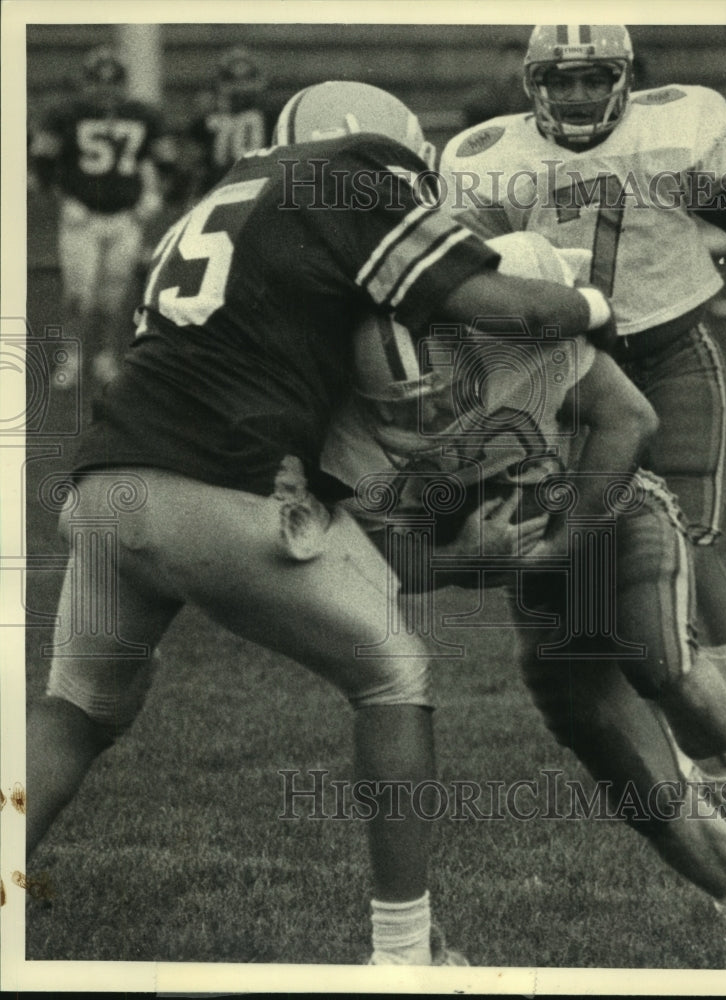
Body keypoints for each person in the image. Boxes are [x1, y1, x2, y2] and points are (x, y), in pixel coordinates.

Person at [26, 81, 620, 967]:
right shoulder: (358, 172)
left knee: (75, 711)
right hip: (223, 481)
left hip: (107, 482)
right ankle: (404, 954)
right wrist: (599, 309)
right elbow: (518, 309)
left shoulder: (231, 192)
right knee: (394, 674)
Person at [321, 230, 726, 970]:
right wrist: (464, 559)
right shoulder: (347, 431)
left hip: (609, 510)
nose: (425, 421)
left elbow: (629, 419)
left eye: (440, 397)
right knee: (623, 763)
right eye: (402, 409)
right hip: (535, 579)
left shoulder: (514, 337)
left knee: (657, 653)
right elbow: (388, 562)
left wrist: (565, 537)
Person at [439, 22, 726, 820]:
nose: (576, 93)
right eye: (561, 79)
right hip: (569, 374)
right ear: (533, 84)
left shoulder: (672, 133)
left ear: (626, 77)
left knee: (691, 542)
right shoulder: (491, 157)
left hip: (673, 352)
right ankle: (650, 704)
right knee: (590, 543)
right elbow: (464, 274)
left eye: (593, 77)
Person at [28, 46, 174, 390]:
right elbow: (41, 169)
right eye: (97, 83)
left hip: (125, 218)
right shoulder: (65, 114)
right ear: (84, 83)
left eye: (112, 84)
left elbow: (169, 165)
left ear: (123, 85)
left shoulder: (144, 115)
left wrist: (152, 197)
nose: (105, 91)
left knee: (114, 295)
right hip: (83, 217)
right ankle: (71, 357)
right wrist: (63, 200)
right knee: (79, 295)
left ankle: (106, 356)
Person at [183, 46, 278, 201]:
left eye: (246, 80)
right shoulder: (206, 122)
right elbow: (190, 165)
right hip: (223, 192)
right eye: (234, 80)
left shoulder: (271, 118)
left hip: (251, 193)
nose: (240, 88)